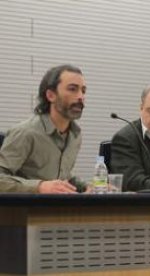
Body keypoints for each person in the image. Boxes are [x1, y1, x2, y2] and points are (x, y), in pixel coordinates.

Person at [0, 64, 86, 193]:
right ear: (51, 95)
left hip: (58, 210)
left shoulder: (75, 135)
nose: (81, 96)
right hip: (24, 210)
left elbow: (63, 177)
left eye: (83, 90)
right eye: (72, 89)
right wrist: (39, 186)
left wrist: (89, 187)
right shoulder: (26, 133)